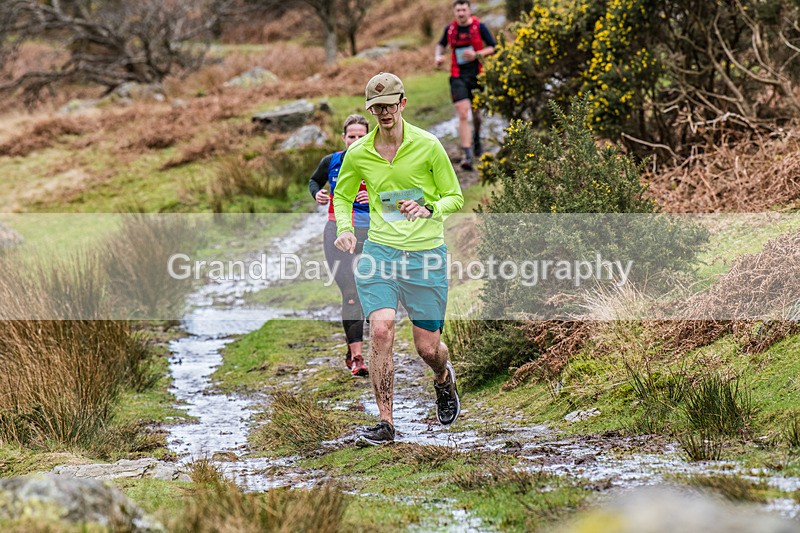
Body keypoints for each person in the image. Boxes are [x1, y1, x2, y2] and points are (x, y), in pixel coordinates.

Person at [333, 72, 465, 446]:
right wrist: (345, 227)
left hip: (425, 255)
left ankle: (443, 378)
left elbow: (454, 196)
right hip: (380, 252)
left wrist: (428, 207)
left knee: (427, 349)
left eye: (390, 104)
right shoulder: (359, 153)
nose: (384, 111)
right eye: (377, 107)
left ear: (403, 103)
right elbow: (342, 196)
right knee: (381, 329)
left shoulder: (428, 145)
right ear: (370, 110)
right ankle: (386, 424)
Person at [308, 114, 371, 377]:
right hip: (337, 231)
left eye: (361, 136)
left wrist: (376, 197)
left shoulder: (381, 161)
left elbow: (401, 194)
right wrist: (317, 193)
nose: (356, 141)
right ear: (344, 138)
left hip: (372, 233)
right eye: (351, 136)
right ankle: (357, 356)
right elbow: (314, 180)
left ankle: (364, 342)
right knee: (351, 292)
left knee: (371, 292)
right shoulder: (331, 161)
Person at [434, 0, 496, 170]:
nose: (461, 13)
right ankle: (467, 155)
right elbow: (440, 45)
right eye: (458, 10)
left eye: (464, 10)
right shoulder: (450, 29)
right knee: (462, 113)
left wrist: (477, 54)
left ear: (469, 11)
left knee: (477, 115)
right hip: (457, 76)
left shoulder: (479, 27)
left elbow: (493, 47)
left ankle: (477, 138)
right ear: (454, 12)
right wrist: (438, 57)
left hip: (477, 76)